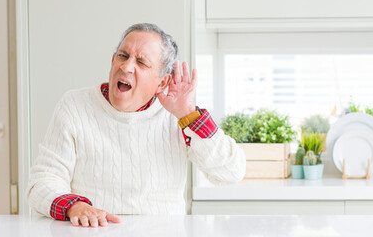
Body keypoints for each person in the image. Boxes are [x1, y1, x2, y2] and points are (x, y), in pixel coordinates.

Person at [26, 23, 245, 227]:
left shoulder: (178, 115)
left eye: (141, 62)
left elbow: (231, 173)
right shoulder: (74, 105)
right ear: (113, 61)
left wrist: (188, 115)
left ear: (163, 82)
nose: (127, 66)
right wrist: (75, 206)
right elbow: (41, 184)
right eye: (122, 56)